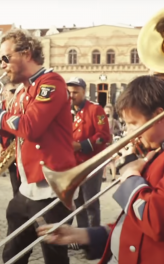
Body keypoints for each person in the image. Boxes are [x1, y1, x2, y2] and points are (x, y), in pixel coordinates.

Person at [37, 75, 164, 264]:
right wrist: (84, 235)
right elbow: (135, 223)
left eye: (133, 123)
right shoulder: (159, 148)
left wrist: (130, 176)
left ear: (159, 116)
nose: (128, 132)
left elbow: (158, 222)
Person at [0, 29, 76, 264]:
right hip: (27, 187)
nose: (2, 65)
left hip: (50, 188)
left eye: (5, 58)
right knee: (12, 254)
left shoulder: (51, 82)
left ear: (26, 54)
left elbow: (30, 127)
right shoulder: (24, 91)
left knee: (54, 257)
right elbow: (10, 129)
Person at [66, 77, 111, 236]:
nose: (71, 96)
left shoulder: (95, 109)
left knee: (90, 202)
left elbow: (103, 136)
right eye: (69, 92)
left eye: (75, 93)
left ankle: (94, 239)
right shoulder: (67, 111)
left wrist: (81, 145)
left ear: (84, 92)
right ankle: (83, 238)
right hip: (74, 164)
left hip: (91, 163)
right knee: (78, 203)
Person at [0, 82, 20, 195]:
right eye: (12, 91)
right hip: (8, 145)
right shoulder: (0, 106)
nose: (14, 94)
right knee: (14, 181)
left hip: (19, 143)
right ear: (4, 92)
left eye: (16, 91)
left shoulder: (19, 104)